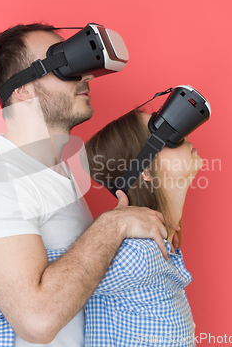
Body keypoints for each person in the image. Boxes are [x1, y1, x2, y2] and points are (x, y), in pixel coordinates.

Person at [0, 23, 179, 346]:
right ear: (22, 90)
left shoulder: (62, 173)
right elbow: (37, 320)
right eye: (64, 63)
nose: (86, 76)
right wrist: (112, 225)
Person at [82, 109, 203, 346]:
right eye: (166, 133)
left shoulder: (160, 246)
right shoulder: (136, 254)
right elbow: (45, 284)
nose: (184, 134)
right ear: (146, 171)